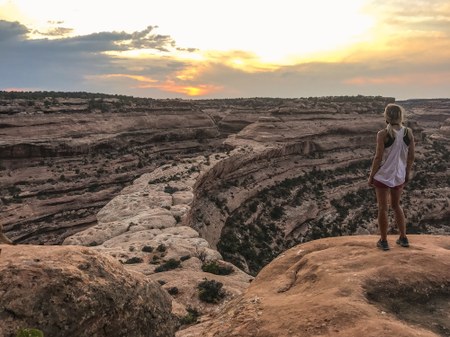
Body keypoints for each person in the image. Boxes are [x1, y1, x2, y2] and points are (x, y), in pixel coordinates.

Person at [368, 103, 415, 251]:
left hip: (383, 176)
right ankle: (403, 237)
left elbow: (378, 158)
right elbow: (411, 156)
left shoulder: (383, 134)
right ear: (401, 116)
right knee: (396, 206)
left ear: (387, 116)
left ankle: (383, 241)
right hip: (399, 175)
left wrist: (371, 176)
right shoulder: (408, 133)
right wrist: (407, 173)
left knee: (382, 208)